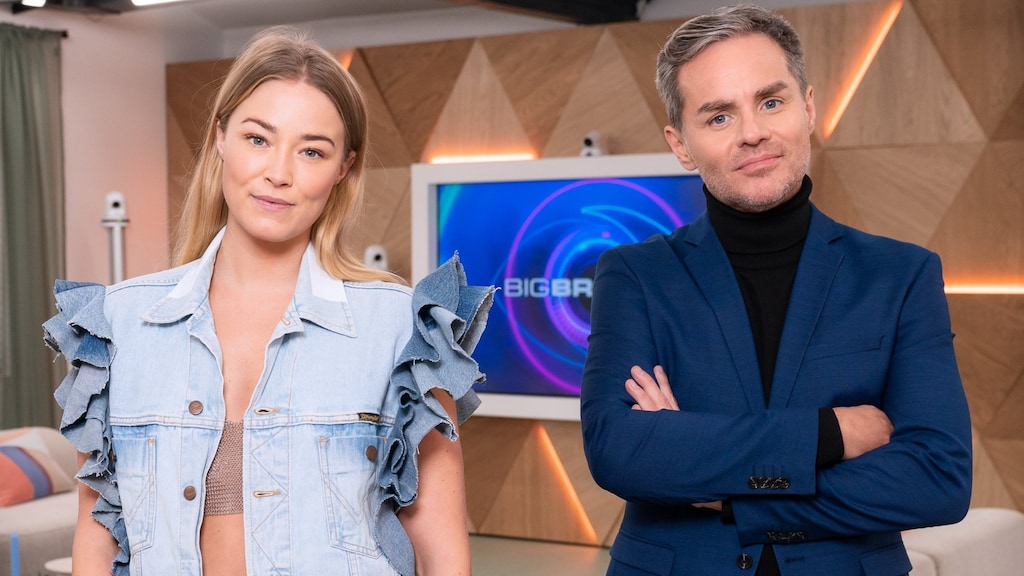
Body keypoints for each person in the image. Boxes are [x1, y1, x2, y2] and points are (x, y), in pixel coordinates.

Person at [43, 26, 492, 576]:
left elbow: (442, 553)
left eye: (311, 151)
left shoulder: (401, 331)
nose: (279, 173)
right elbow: (97, 533)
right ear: (220, 139)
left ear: (343, 168)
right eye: (258, 139)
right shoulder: (120, 323)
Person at [580, 4, 972, 575]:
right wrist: (829, 432)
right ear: (680, 144)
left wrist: (729, 488)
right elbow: (621, 452)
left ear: (807, 107)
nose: (753, 133)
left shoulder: (901, 275)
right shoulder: (635, 275)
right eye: (718, 117)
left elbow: (937, 477)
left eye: (771, 101)